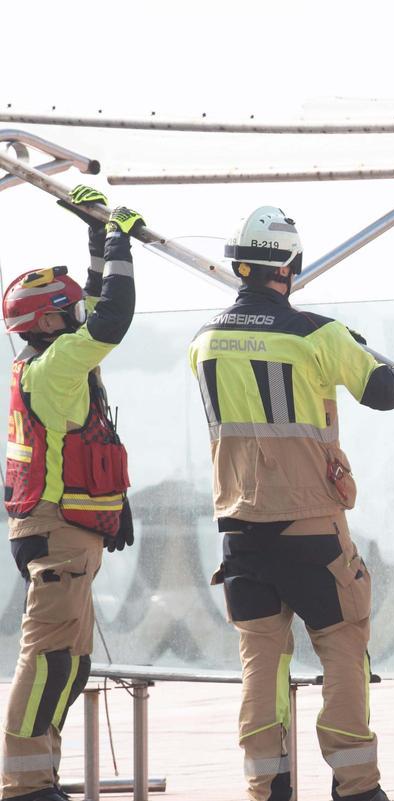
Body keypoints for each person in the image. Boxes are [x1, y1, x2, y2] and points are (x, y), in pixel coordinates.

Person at [188, 206, 394, 801]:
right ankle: (356, 786)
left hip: (240, 531)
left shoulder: (203, 341)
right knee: (343, 648)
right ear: (291, 265)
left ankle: (266, 786)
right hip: (311, 529)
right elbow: (382, 389)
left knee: (261, 662)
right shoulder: (317, 334)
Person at [2, 187, 141, 801]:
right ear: (46, 323)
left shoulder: (53, 358)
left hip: (66, 530)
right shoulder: (56, 364)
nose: (79, 317)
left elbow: (94, 308)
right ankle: (24, 785)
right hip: (57, 535)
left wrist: (94, 233)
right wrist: (120, 240)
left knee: (71, 665)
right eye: (69, 311)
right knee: (46, 659)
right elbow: (112, 318)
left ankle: (42, 776)